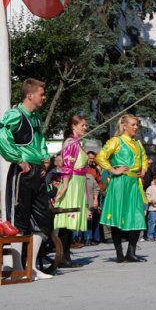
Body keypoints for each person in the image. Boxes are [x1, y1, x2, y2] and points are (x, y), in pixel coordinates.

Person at [0, 79, 54, 280]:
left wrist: (45, 158)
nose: (44, 97)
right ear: (30, 95)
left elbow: (40, 141)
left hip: (37, 171)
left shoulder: (37, 117)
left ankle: (30, 267)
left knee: (41, 219)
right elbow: (2, 135)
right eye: (41, 93)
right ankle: (16, 269)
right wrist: (17, 159)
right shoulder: (15, 114)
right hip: (21, 173)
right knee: (18, 220)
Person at [96, 114, 149, 263]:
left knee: (138, 215)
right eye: (133, 124)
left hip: (134, 183)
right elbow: (101, 156)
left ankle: (131, 252)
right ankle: (119, 253)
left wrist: (143, 170)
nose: (136, 127)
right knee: (117, 216)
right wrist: (113, 170)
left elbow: (143, 158)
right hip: (120, 183)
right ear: (124, 126)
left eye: (137, 124)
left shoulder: (138, 143)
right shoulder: (116, 141)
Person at [53, 114, 90, 268]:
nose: (85, 128)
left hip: (79, 183)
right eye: (82, 125)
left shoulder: (78, 143)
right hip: (72, 183)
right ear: (73, 126)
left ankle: (66, 255)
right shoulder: (71, 142)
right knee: (66, 221)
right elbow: (67, 165)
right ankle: (63, 257)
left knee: (69, 222)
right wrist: (66, 185)